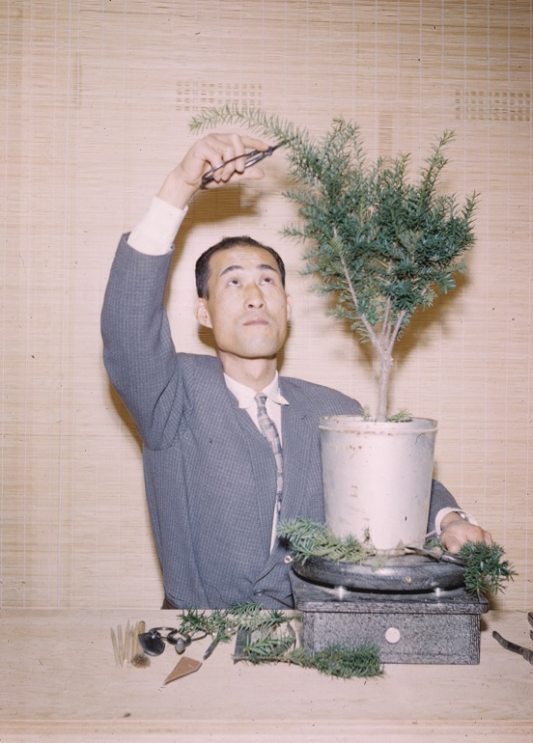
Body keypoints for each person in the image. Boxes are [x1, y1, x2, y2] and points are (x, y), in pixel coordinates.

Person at [101, 132, 493, 610]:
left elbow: (393, 480)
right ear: (203, 313)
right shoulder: (173, 392)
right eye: (234, 282)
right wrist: (179, 186)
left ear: (287, 306)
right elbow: (128, 328)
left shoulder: (335, 410)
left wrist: (449, 520)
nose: (254, 295)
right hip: (201, 643)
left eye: (268, 280)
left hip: (314, 638)